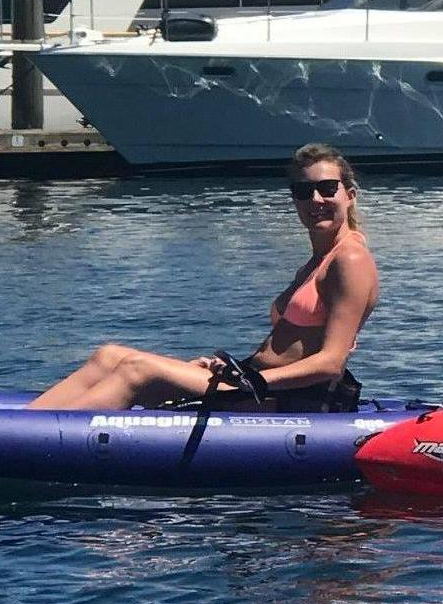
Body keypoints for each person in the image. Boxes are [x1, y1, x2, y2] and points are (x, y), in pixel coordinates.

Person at [29, 144, 378, 412]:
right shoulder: (317, 260)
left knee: (137, 369)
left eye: (327, 188)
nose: (315, 199)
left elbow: (332, 362)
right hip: (249, 378)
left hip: (284, 396)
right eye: (303, 191)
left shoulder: (349, 258)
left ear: (349, 195)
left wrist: (252, 381)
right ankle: (25, 425)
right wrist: (235, 372)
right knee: (108, 356)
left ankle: (39, 441)